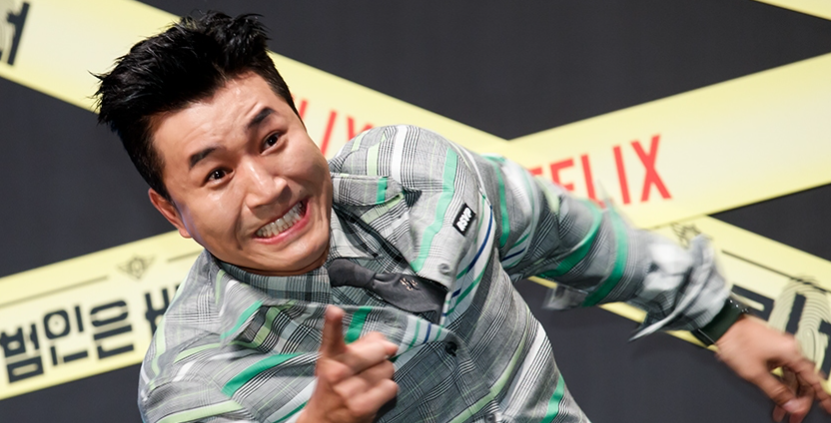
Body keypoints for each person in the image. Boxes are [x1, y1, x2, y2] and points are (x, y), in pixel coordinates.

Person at [94, 11, 831, 423]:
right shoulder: (190, 381)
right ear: (173, 211)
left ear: (302, 122)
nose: (267, 188)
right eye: (216, 174)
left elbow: (566, 230)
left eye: (271, 139)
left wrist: (719, 317)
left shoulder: (419, 170)